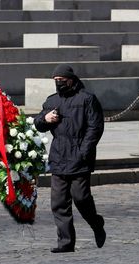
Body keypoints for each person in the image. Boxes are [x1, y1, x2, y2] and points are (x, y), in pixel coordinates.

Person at [34, 64, 106, 253]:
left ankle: (96, 223)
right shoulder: (52, 101)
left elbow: (95, 128)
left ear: (71, 80)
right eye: (55, 81)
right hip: (58, 157)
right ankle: (65, 243)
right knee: (58, 203)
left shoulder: (87, 99)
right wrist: (45, 119)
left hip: (79, 158)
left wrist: (83, 152)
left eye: (62, 80)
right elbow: (38, 123)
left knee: (81, 198)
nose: (59, 84)